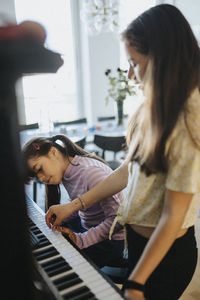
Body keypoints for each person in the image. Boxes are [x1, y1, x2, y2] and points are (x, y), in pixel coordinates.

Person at [45, 4, 200, 300]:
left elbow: (172, 215)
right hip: (139, 246)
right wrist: (73, 206)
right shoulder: (151, 108)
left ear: (163, 59)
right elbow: (128, 171)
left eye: (134, 63)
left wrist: (136, 282)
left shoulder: (189, 119)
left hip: (166, 255)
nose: (129, 75)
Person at [22, 134, 125, 268]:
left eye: (39, 169)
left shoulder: (90, 173)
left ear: (53, 152)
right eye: (36, 176)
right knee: (53, 238)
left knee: (63, 263)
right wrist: (63, 215)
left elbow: (118, 220)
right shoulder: (68, 172)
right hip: (89, 224)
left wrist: (81, 240)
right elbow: (85, 208)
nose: (40, 178)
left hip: (113, 240)